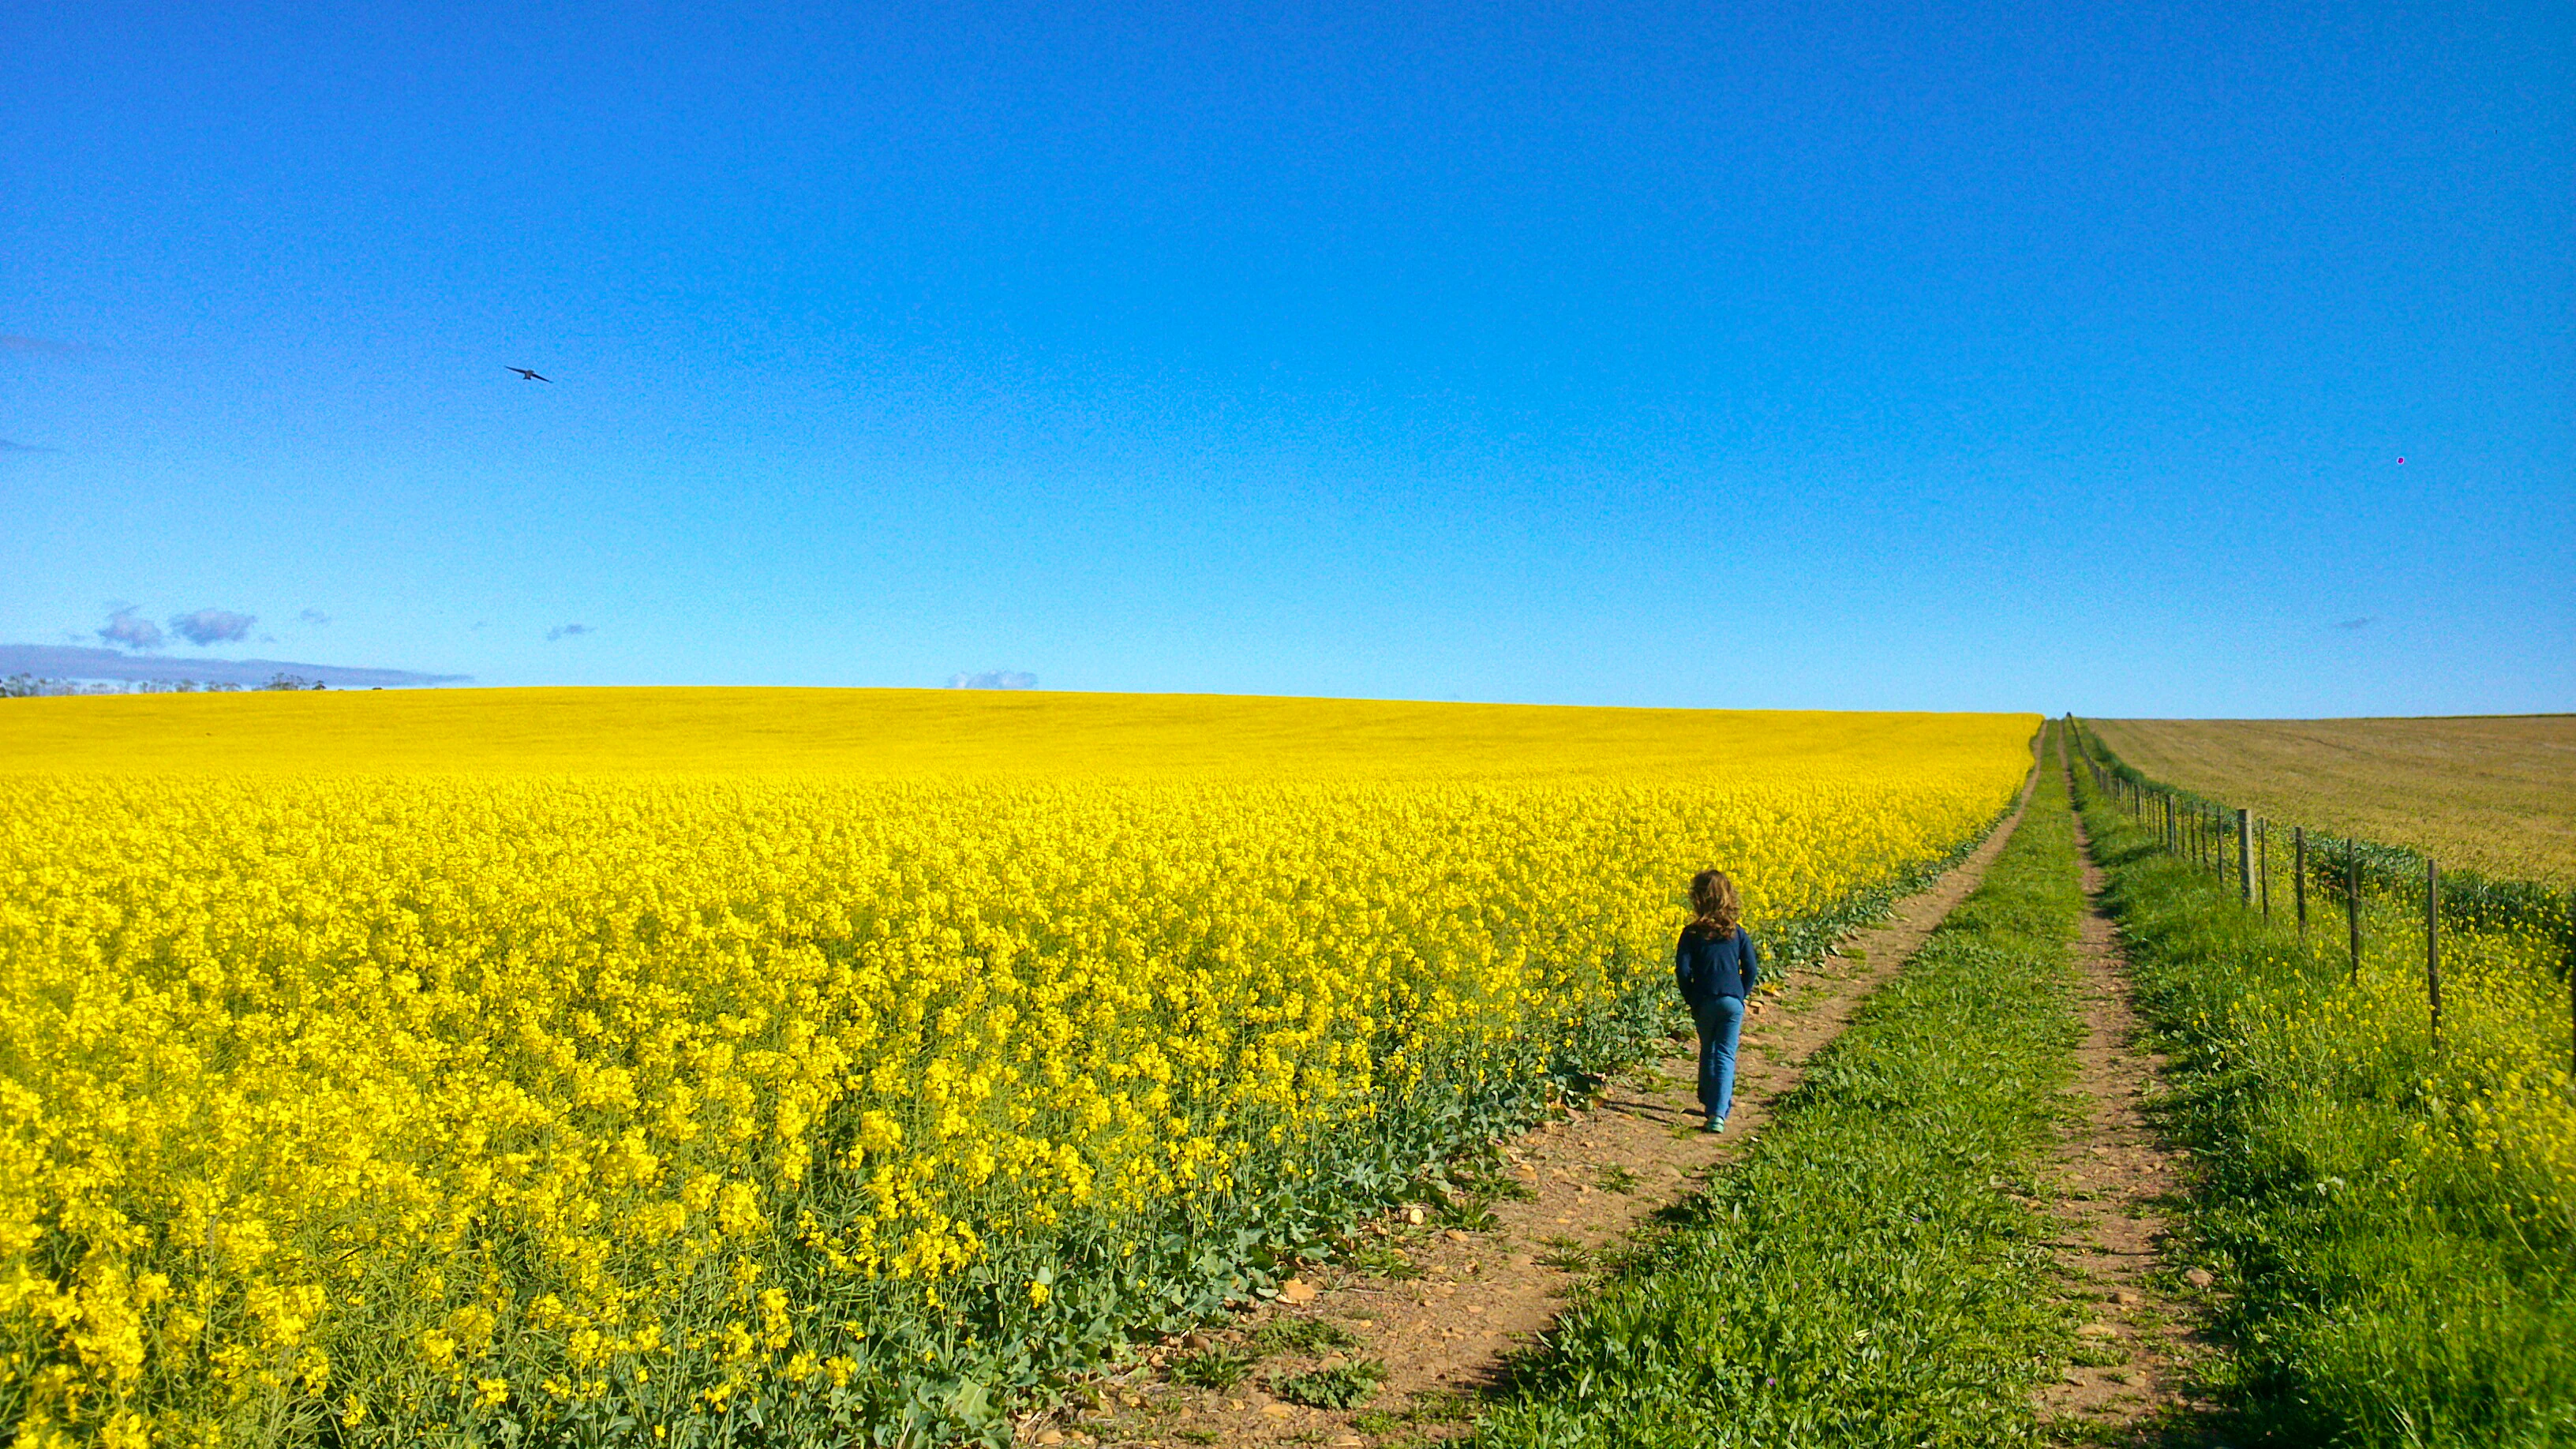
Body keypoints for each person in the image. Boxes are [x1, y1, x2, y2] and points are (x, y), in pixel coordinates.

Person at [1673, 868, 1761, 1133]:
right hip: (1732, 1001)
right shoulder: (1737, 933)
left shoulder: (1691, 934)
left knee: (1709, 1049)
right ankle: (1718, 1112)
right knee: (1725, 1053)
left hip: (1706, 1001)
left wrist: (1692, 999)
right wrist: (1740, 994)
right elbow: (1752, 968)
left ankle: (1710, 1102)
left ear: (1697, 899)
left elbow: (1683, 971)